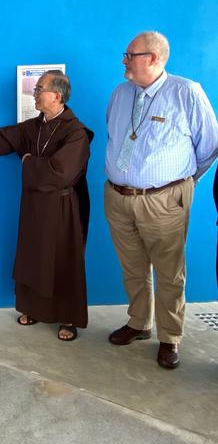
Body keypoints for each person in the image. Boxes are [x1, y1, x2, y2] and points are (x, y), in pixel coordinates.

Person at [0, 70, 93, 341]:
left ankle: (68, 318)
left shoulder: (76, 132)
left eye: (39, 90)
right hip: (34, 206)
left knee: (62, 261)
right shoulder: (32, 127)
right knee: (33, 258)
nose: (34, 95)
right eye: (35, 90)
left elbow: (62, 172)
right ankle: (34, 308)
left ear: (57, 96)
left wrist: (27, 162)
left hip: (61, 209)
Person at [105, 31, 218, 369]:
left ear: (152, 58)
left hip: (164, 201)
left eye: (130, 55)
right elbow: (114, 134)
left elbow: (210, 147)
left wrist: (180, 185)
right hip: (118, 197)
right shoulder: (120, 93)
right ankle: (139, 323)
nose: (124, 60)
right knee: (133, 268)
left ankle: (170, 337)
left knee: (170, 272)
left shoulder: (187, 93)